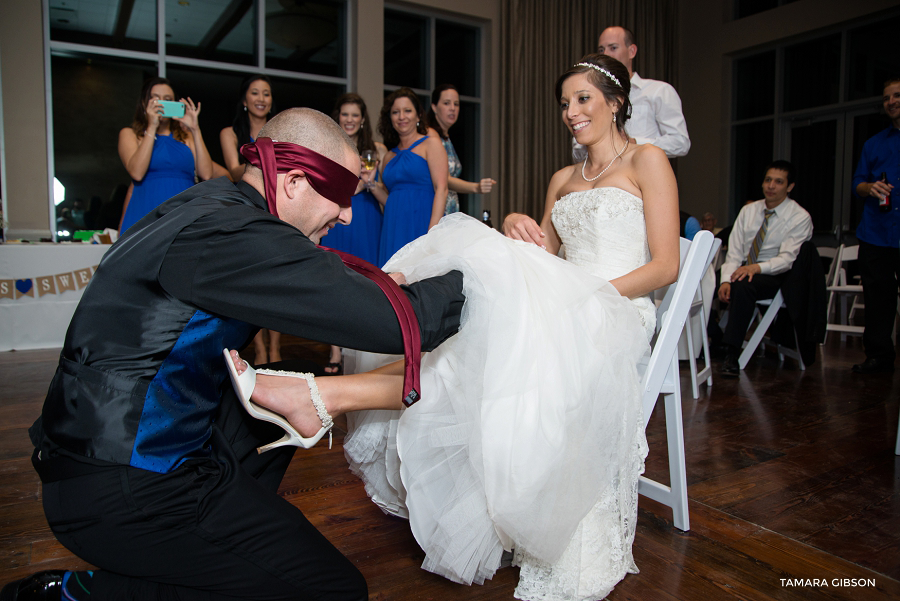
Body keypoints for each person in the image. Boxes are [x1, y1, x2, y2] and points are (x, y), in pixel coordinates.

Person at [233, 53, 676, 599]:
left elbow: (665, 266)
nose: (571, 112)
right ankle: (330, 386)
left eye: (583, 99)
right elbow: (546, 256)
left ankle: (321, 393)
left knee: (485, 332)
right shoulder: (563, 178)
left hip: (615, 309)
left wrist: (586, 295)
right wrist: (518, 226)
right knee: (471, 313)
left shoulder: (648, 161)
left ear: (615, 102)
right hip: (565, 302)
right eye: (564, 102)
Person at [1, 108, 466, 601]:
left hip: (94, 451)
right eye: (341, 195)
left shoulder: (215, 205)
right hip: (123, 480)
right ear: (292, 183)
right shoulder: (235, 237)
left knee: (276, 396)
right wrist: (493, 279)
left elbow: (327, 279)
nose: (349, 214)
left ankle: (170, 564)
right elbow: (400, 323)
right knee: (334, 590)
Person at [717, 160, 813, 376]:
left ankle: (732, 354)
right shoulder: (749, 211)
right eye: (768, 180)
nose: (771, 186)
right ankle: (709, 339)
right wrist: (724, 280)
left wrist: (756, 269)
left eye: (779, 182)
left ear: (789, 187)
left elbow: (787, 260)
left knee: (743, 284)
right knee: (703, 279)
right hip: (742, 269)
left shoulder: (799, 217)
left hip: (776, 275)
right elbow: (734, 251)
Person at [322, 93, 389, 373]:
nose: (349, 120)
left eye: (355, 115)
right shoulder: (328, 147)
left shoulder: (379, 149)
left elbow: (385, 195)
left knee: (366, 282)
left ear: (363, 120)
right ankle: (335, 349)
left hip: (367, 219)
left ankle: (364, 345)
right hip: (337, 215)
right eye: (345, 114)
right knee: (333, 281)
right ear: (338, 117)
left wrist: (369, 184)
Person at [219, 75, 281, 364]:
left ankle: (275, 349)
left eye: (266, 93)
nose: (261, 98)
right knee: (252, 279)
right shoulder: (230, 133)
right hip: (246, 207)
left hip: (277, 208)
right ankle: (257, 349)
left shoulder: (281, 131)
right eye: (255, 93)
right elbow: (233, 171)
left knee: (278, 277)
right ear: (244, 100)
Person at [574, 26, 690, 162]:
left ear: (632, 51)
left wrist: (634, 142)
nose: (605, 54)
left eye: (613, 48)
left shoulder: (659, 91)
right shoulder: (590, 96)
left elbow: (680, 143)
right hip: (599, 177)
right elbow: (577, 153)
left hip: (645, 175)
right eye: (601, 50)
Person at [849, 77, 900, 374]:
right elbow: (857, 183)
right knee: (878, 300)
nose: (891, 102)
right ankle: (879, 358)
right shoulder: (873, 144)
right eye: (886, 98)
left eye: (896, 96)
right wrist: (869, 188)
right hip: (875, 234)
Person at [118, 77, 212, 232]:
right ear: (144, 103)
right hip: (144, 213)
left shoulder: (186, 136)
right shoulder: (130, 134)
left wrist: (195, 130)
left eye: (167, 99)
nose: (161, 103)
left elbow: (206, 174)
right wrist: (152, 126)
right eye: (155, 99)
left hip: (183, 214)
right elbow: (137, 173)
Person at [375, 87, 449, 265]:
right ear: (390, 118)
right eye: (395, 112)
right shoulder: (388, 157)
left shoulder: (431, 144)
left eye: (407, 111)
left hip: (421, 223)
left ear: (418, 116)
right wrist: (370, 185)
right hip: (393, 226)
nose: (402, 116)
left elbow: (442, 189)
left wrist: (432, 233)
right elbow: (389, 199)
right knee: (392, 283)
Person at [425, 84, 496, 214]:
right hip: (436, 208)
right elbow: (443, 178)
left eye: (456, 104)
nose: (452, 108)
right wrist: (476, 187)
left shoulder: (446, 138)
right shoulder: (431, 136)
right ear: (434, 107)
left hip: (450, 206)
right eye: (447, 103)